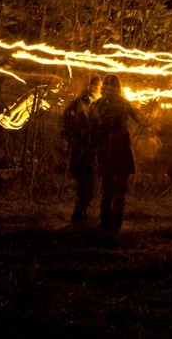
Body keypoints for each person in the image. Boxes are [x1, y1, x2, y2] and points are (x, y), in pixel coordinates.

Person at [89, 74, 151, 233]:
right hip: (122, 148)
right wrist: (152, 116)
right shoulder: (124, 103)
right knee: (120, 190)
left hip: (105, 149)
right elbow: (142, 121)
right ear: (119, 87)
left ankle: (104, 223)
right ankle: (116, 225)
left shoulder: (96, 105)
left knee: (107, 188)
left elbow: (92, 130)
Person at [62, 75, 102, 223]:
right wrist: (74, 140)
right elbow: (68, 123)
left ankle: (81, 214)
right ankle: (79, 215)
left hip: (90, 151)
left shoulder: (97, 104)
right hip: (82, 150)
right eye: (96, 86)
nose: (98, 89)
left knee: (89, 184)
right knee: (85, 183)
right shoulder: (79, 104)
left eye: (99, 86)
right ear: (90, 86)